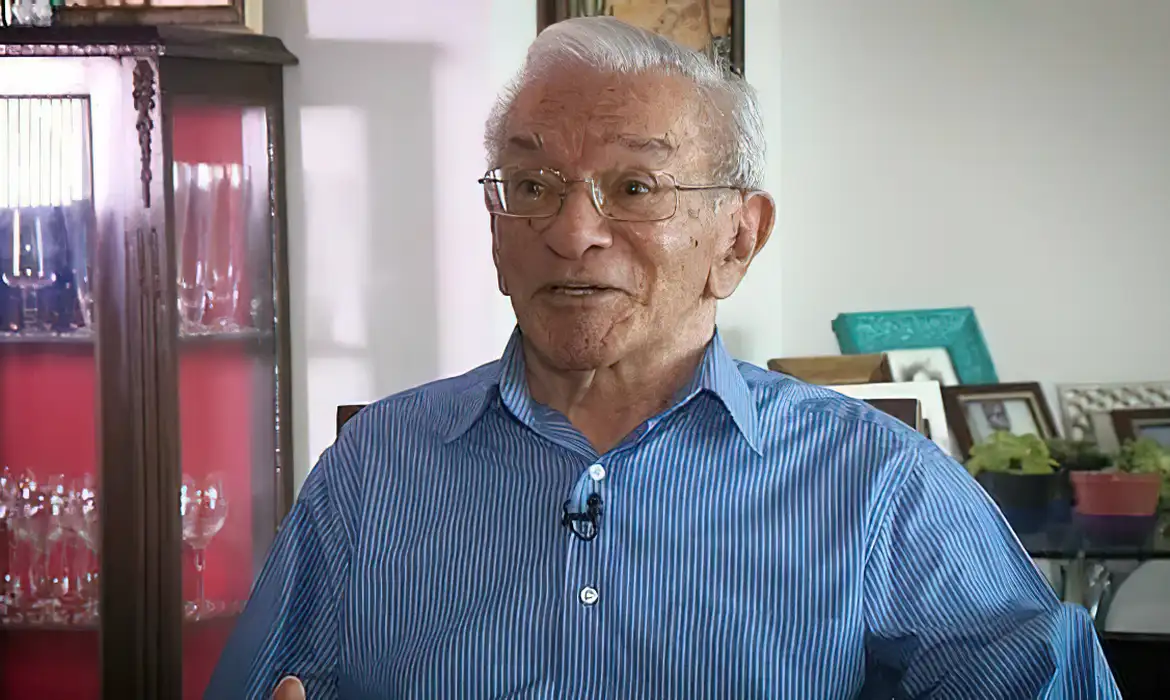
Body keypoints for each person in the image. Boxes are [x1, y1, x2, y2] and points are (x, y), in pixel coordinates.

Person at [207, 17, 1120, 700]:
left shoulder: (879, 486)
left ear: (738, 239)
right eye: (532, 185)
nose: (572, 232)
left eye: (635, 187)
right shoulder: (376, 467)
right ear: (495, 227)